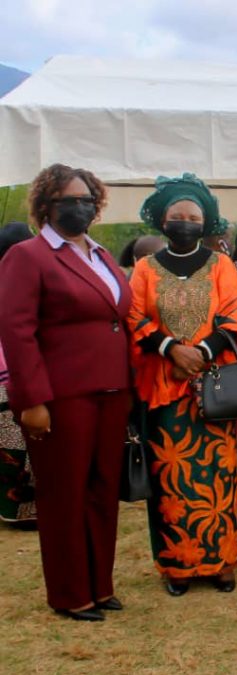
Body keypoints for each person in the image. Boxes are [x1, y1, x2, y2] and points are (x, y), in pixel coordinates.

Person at [0, 165, 133, 621]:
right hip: (61, 397)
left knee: (102, 490)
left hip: (112, 390)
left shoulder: (102, 255)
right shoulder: (28, 256)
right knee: (64, 494)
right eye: (69, 200)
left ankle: (100, 585)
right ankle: (71, 592)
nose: (80, 207)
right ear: (46, 205)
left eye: (87, 199)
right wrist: (32, 400)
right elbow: (18, 332)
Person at [128, 173, 237, 596]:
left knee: (219, 474)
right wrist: (170, 349)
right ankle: (177, 565)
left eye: (193, 217)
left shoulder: (222, 266)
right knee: (170, 477)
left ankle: (222, 561)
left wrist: (201, 353)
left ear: (205, 222)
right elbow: (134, 316)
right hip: (164, 390)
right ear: (163, 221)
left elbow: (234, 316)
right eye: (177, 216)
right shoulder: (145, 269)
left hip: (212, 389)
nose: (185, 222)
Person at [0, 221, 37, 525]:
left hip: (12, 374)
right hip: (11, 375)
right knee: (17, 444)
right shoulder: (19, 282)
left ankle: (15, 508)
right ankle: (20, 511)